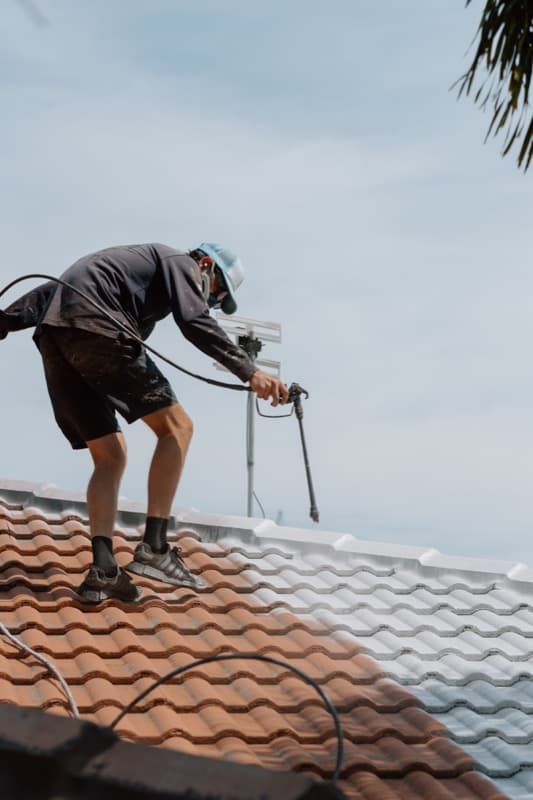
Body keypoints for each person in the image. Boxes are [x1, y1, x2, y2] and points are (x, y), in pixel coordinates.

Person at [0, 242, 289, 603]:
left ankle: (103, 568)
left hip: (57, 338)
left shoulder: (130, 274)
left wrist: (8, 319)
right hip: (99, 329)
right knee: (178, 427)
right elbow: (195, 320)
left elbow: (57, 290)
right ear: (204, 264)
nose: (211, 303)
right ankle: (155, 547)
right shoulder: (179, 262)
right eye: (215, 292)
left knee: (110, 454)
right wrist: (250, 372)